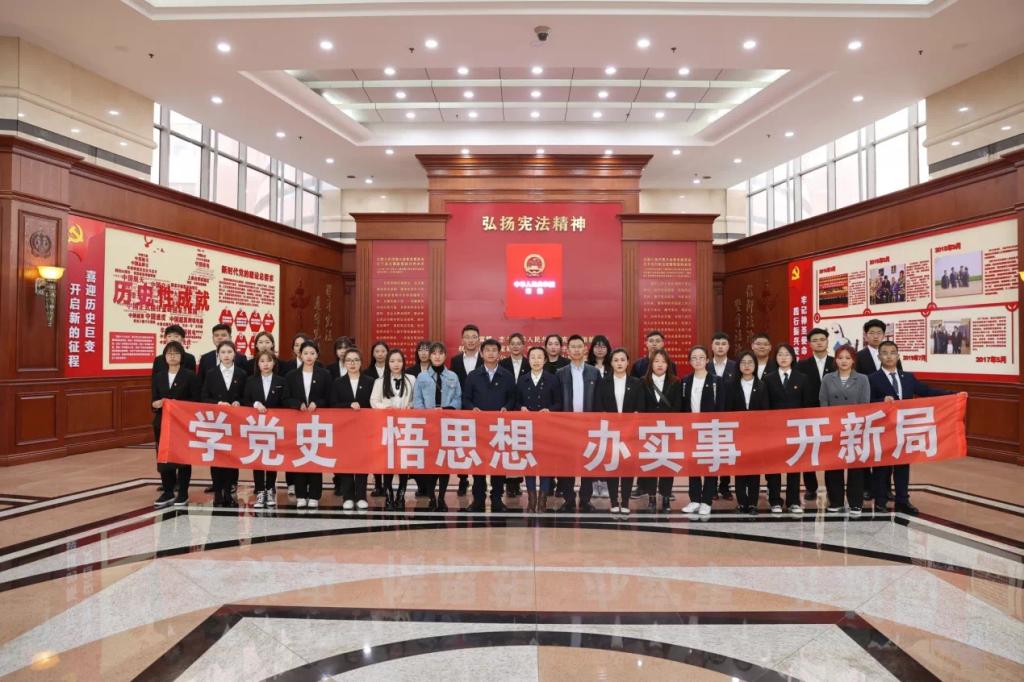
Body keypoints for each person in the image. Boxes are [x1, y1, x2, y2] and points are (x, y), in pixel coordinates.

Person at [869, 340, 953, 515]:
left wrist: (953, 395)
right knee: (881, 468)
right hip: (883, 431)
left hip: (904, 430)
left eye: (893, 352)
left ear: (898, 356)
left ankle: (902, 501)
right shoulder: (871, 379)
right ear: (879, 356)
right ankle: (880, 502)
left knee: (902, 467)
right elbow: (865, 402)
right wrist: (880, 401)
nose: (889, 356)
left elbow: (927, 391)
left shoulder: (908, 377)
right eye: (885, 353)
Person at [462, 338, 517, 513]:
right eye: (487, 350)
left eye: (494, 350)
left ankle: (497, 499)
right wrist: (472, 408)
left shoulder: (507, 376)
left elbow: (513, 398)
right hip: (478, 428)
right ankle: (478, 499)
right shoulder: (473, 376)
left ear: (499, 354)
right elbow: (466, 398)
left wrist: (507, 407)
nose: (491, 353)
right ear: (482, 353)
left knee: (498, 464)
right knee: (478, 463)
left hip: (500, 428)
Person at [818, 344, 871, 515]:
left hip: (854, 428)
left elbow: (865, 405)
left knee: (856, 467)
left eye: (848, 358)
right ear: (835, 360)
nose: (844, 361)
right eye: (840, 358)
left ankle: (856, 502)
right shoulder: (828, 378)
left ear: (853, 360)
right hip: (833, 428)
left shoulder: (862, 379)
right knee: (834, 465)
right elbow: (823, 402)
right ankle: (836, 501)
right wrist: (829, 424)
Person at [763, 343, 814, 513]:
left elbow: (807, 405)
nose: (783, 358)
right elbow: (765, 406)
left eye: (787, 354)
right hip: (774, 430)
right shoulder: (768, 378)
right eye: (780, 354)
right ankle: (775, 501)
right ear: (775, 358)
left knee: (794, 465)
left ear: (793, 357)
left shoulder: (802, 378)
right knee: (774, 467)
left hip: (796, 430)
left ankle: (793, 501)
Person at [595, 347, 646, 514]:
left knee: (627, 466)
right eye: (616, 360)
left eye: (622, 360)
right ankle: (613, 501)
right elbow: (599, 406)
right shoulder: (603, 382)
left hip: (629, 432)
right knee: (612, 465)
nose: (619, 363)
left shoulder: (636, 383)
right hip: (610, 432)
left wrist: (633, 421)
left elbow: (640, 407)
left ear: (628, 362)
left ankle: (624, 501)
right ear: (611, 363)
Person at [413, 342, 462, 511]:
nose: (437, 356)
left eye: (440, 353)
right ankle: (431, 497)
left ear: (445, 356)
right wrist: (427, 415)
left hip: (447, 424)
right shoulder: (422, 377)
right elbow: (417, 401)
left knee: (444, 462)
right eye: (434, 353)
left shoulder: (453, 376)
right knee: (430, 463)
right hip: (428, 425)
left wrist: (447, 410)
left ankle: (441, 497)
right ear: (430, 356)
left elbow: (458, 399)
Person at [555, 335, 602, 512]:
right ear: (567, 350)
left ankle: (585, 499)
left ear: (584, 349)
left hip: (588, 425)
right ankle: (568, 499)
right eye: (572, 347)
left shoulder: (594, 372)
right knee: (566, 463)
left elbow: (598, 400)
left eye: (579, 346)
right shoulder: (560, 373)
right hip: (567, 426)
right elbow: (558, 401)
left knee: (588, 462)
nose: (576, 350)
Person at [855, 319, 901, 501]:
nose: (875, 336)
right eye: (872, 333)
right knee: (866, 449)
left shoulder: (891, 355)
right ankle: (867, 487)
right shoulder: (858, 356)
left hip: (887, 411)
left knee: (886, 449)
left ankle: (885, 488)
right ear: (865, 335)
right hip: (866, 408)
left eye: (879, 333)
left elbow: (897, 380)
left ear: (884, 335)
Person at [283, 340, 332, 509]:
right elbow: (285, 398)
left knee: (315, 457)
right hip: (297, 423)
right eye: (305, 353)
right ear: (300, 355)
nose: (309, 356)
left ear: (317, 355)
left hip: (317, 423)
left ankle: (314, 495)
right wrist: (297, 404)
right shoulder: (291, 375)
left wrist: (317, 403)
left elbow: (329, 397)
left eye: (312, 353)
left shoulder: (324, 374)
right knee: (300, 457)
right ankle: (301, 495)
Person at [151, 341, 200, 507]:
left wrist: (177, 404)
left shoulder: (190, 375)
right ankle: (168, 491)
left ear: (182, 356)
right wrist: (157, 403)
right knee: (164, 457)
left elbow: (195, 400)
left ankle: (183, 493)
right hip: (162, 422)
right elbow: (153, 400)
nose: (172, 356)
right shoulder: (159, 376)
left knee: (183, 458)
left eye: (176, 353)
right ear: (164, 357)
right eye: (169, 353)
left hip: (182, 424)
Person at [200, 340, 247, 507]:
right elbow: (204, 397)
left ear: (235, 354)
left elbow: (246, 396)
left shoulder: (241, 373)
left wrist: (239, 402)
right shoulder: (211, 373)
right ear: (218, 355)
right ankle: (218, 492)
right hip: (216, 422)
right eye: (223, 352)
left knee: (231, 456)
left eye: (229, 352)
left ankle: (229, 491)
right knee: (217, 457)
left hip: (234, 422)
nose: (226, 355)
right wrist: (217, 404)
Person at [515, 346, 562, 512]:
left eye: (539, 357)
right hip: (527, 429)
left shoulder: (553, 379)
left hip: (547, 429)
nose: (536, 360)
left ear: (545, 360)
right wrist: (521, 407)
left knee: (545, 464)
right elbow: (516, 401)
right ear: (528, 360)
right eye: (533, 357)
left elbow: (559, 403)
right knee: (529, 463)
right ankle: (531, 499)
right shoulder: (522, 379)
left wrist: (550, 410)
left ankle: (542, 500)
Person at [327, 347, 375, 509]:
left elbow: (373, 404)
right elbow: (333, 404)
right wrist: (349, 405)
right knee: (346, 462)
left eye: (355, 360)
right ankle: (347, 496)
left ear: (361, 363)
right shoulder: (338, 382)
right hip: (344, 430)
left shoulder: (370, 381)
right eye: (348, 360)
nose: (352, 363)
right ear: (344, 363)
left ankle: (361, 495)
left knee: (362, 462)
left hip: (364, 430)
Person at [679, 345, 724, 516]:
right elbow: (683, 407)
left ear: (707, 360)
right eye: (694, 358)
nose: (698, 361)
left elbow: (721, 406)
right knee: (693, 465)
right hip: (691, 429)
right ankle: (695, 499)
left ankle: (706, 501)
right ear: (690, 361)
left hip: (710, 429)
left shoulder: (716, 381)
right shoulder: (685, 381)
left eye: (701, 358)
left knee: (710, 465)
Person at [370, 348, 417, 509]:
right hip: (387, 427)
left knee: (403, 462)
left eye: (399, 361)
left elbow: (415, 399)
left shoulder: (411, 379)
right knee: (388, 461)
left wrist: (410, 406)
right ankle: (389, 494)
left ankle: (401, 495)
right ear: (387, 363)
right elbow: (373, 401)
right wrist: (386, 408)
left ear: (404, 362)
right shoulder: (379, 381)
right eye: (392, 361)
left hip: (406, 426)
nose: (396, 364)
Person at [795, 327, 837, 502]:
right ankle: (810, 487)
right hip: (809, 413)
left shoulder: (836, 362)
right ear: (809, 344)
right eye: (815, 340)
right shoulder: (801, 365)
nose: (819, 343)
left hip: (832, 413)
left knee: (831, 451)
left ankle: (832, 487)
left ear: (827, 341)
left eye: (822, 339)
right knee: (809, 450)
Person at [242, 349, 287, 509]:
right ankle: (260, 491)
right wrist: (255, 404)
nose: (265, 364)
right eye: (262, 361)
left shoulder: (281, 380)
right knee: (259, 459)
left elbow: (285, 401)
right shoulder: (251, 381)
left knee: (272, 459)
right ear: (258, 364)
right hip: (257, 427)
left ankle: (270, 489)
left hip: (274, 426)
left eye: (269, 361)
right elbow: (244, 400)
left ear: (274, 363)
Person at [725, 350, 768, 514]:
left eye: (750, 362)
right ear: (738, 366)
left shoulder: (762, 385)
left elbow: (766, 411)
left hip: (756, 435)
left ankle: (753, 503)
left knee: (754, 470)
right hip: (738, 434)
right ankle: (742, 502)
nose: (747, 366)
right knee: (740, 470)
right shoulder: (731, 385)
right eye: (743, 363)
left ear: (755, 365)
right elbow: (728, 410)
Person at [640, 348, 682, 513]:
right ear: (651, 364)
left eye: (663, 362)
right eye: (656, 361)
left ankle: (665, 497)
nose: (660, 364)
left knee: (667, 464)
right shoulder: (643, 382)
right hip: (649, 431)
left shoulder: (675, 382)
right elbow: (641, 406)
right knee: (651, 464)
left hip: (668, 431)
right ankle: (651, 497)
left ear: (668, 365)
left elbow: (678, 406)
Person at [450, 324, 482, 496]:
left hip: (479, 409)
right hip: (460, 409)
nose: (470, 340)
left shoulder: (485, 359)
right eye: (467, 337)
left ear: (479, 339)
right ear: (462, 340)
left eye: (474, 337)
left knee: (478, 445)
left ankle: (478, 480)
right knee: (461, 445)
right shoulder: (455, 360)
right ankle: (462, 479)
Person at [709, 332, 737, 500]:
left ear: (728, 347)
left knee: (726, 452)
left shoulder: (735, 366)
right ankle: (711, 487)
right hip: (710, 416)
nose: (720, 347)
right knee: (712, 452)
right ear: (712, 347)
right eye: (717, 344)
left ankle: (725, 486)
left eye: (723, 344)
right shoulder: (705, 365)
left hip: (729, 415)